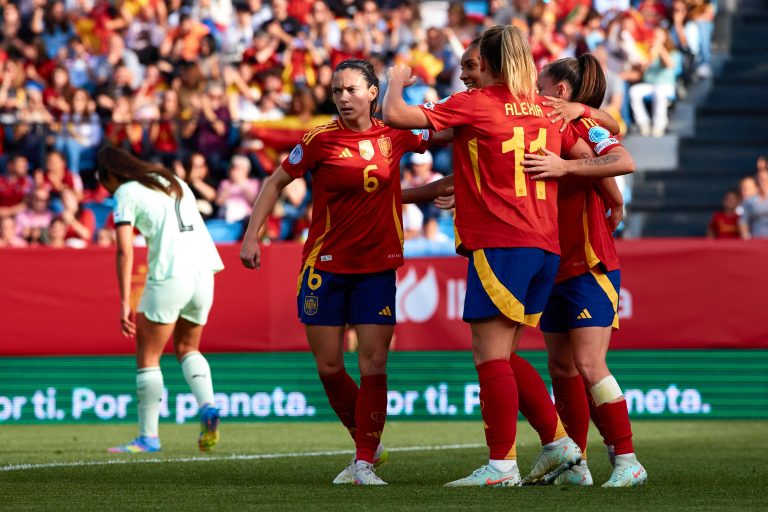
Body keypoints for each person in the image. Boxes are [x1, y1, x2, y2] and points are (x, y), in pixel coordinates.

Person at [384, 25, 632, 487]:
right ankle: (561, 446)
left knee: (490, 356)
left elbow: (395, 115)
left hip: (502, 242)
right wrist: (578, 170)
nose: (463, 76)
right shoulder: (546, 109)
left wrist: (395, 78)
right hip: (545, 248)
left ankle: (503, 465)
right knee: (509, 355)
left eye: (470, 66)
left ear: (493, 65)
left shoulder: (477, 104)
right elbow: (604, 149)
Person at [240, 59, 433, 486]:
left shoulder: (395, 134)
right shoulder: (319, 139)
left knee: (373, 363)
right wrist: (252, 235)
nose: (343, 98)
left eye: (351, 89)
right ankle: (367, 439)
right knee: (329, 366)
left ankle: (363, 459)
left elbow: (449, 128)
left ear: (371, 93)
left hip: (377, 268)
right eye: (337, 91)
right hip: (324, 266)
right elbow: (274, 182)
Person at [529, 55, 646, 488]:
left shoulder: (575, 126)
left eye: (540, 84)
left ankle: (628, 459)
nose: (532, 89)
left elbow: (621, 161)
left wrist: (567, 167)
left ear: (560, 91)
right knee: (561, 368)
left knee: (589, 363)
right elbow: (610, 185)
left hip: (589, 261)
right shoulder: (539, 125)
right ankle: (574, 464)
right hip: (552, 263)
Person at [97, 146, 224, 454]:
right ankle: (207, 405)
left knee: (149, 357)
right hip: (204, 272)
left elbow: (125, 250)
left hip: (170, 274)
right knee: (188, 348)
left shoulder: (125, 191)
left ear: (110, 175)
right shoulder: (169, 179)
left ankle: (148, 438)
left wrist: (124, 300)